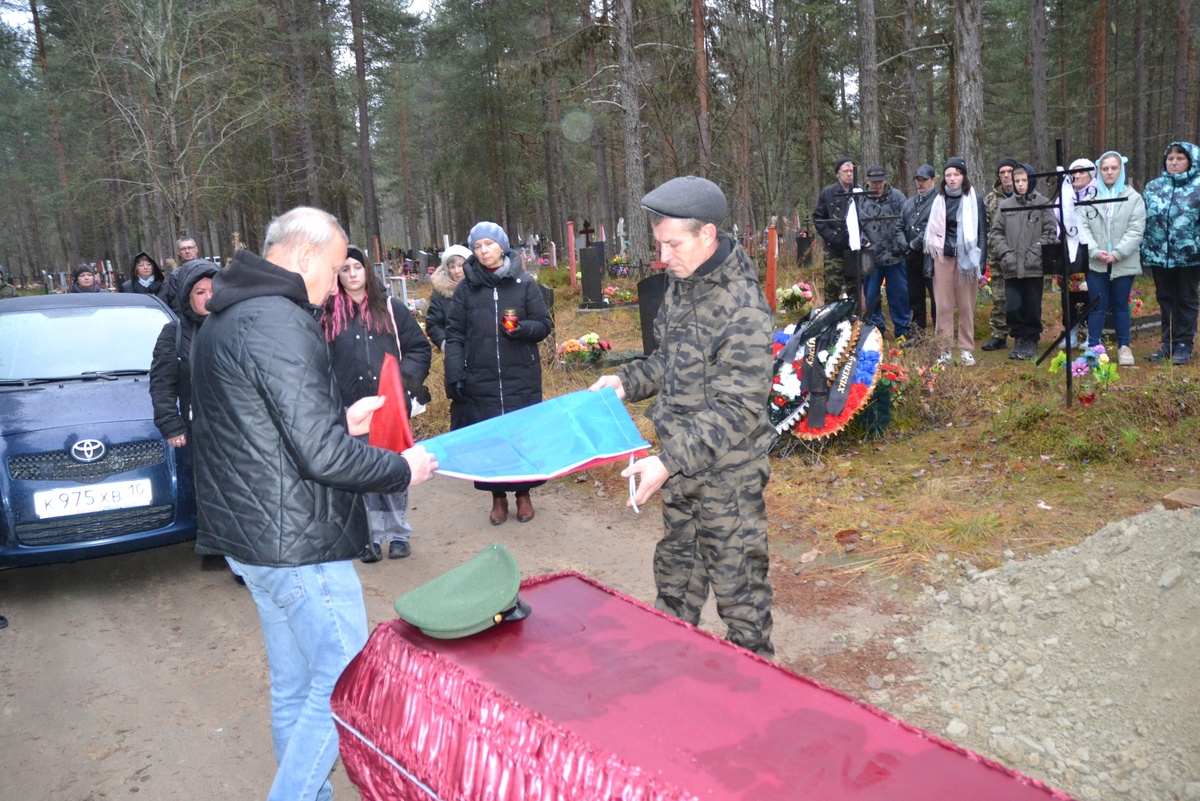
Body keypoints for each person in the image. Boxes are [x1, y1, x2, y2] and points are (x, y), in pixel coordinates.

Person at [190, 206, 438, 801]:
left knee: (296, 686)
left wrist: (339, 421)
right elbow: (320, 458)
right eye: (332, 269)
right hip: (297, 539)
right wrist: (399, 467)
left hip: (253, 539)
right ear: (304, 257)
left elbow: (261, 425)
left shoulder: (229, 315)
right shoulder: (278, 320)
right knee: (349, 676)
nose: (334, 285)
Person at [589, 176, 776, 658]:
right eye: (660, 245)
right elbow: (668, 362)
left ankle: (758, 701)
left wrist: (666, 460)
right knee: (674, 588)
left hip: (727, 482)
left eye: (673, 245)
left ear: (706, 235)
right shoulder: (681, 286)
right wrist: (625, 382)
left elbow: (738, 408)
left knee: (743, 605)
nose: (663, 257)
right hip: (679, 472)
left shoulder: (745, 308)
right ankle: (670, 683)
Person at [322, 245, 431, 562]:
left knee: (394, 470)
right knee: (362, 474)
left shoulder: (390, 308)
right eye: (345, 269)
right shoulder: (329, 315)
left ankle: (398, 534)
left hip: (389, 408)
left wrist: (402, 379)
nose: (352, 274)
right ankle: (369, 536)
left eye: (357, 267)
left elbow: (417, 349)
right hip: (352, 410)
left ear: (367, 270)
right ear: (338, 275)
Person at [444, 222, 552, 525]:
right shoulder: (467, 289)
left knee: (522, 436)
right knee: (491, 440)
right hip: (481, 376)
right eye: (478, 247)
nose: (484, 250)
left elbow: (544, 324)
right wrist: (455, 375)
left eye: (489, 244)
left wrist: (522, 330)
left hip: (521, 376)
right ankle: (498, 498)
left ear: (502, 247)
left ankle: (523, 495)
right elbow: (454, 335)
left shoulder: (523, 284)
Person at [1078, 151, 1145, 366]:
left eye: (1113, 168)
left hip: (1123, 262)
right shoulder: (1090, 199)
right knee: (1096, 305)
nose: (1109, 172)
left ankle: (1124, 346)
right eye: (1105, 168)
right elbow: (1083, 228)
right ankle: (1094, 347)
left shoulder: (1133, 198)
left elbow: (1136, 230)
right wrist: (1095, 251)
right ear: (1099, 171)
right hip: (1096, 261)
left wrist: (1117, 253)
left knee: (1119, 305)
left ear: (1121, 170)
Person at [988, 164, 1057, 360]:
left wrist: (1035, 251)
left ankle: (1031, 339)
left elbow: (1050, 232)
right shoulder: (1005, 205)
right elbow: (996, 233)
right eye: (1017, 181)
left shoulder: (1043, 203)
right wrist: (1006, 254)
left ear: (1032, 181)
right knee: (1014, 305)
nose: (1020, 184)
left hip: (1034, 266)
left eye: (1024, 180)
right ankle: (1018, 338)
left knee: (1032, 305)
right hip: (1011, 266)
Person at [1140, 141, 1200, 365]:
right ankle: (1167, 344)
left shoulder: (1198, 186)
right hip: (1158, 255)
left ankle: (1184, 344)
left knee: (1186, 298)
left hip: (1189, 256)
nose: (1174, 162)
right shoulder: (1154, 187)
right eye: (1170, 159)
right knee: (1165, 299)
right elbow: (1142, 217)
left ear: (1191, 161)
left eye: (1180, 158)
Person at [925, 156, 987, 367]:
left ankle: (966, 349)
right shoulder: (938, 200)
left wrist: (982, 266)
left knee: (966, 306)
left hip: (967, 258)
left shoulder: (974, 199)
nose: (952, 179)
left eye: (957, 174)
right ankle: (944, 349)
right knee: (943, 305)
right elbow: (931, 235)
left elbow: (981, 233)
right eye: (949, 175)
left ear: (963, 176)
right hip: (942, 257)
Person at [149, 259, 219, 447]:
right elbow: (162, 385)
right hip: (195, 433)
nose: (208, 297)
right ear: (187, 296)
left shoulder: (235, 327)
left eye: (213, 291)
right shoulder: (173, 333)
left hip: (235, 433)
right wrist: (171, 426)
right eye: (200, 292)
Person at [860, 164, 911, 341]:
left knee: (899, 294)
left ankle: (903, 330)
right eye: (874, 183)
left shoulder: (897, 197)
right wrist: (863, 241)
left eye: (881, 182)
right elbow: (852, 226)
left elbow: (906, 221)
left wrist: (902, 243)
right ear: (867, 182)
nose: (878, 186)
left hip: (895, 255)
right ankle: (876, 330)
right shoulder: (860, 200)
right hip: (869, 256)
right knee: (871, 295)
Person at [425, 244, 471, 429]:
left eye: (461, 265)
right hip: (455, 356)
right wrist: (446, 344)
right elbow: (434, 323)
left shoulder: (477, 286)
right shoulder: (441, 294)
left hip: (480, 351)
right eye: (452, 267)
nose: (457, 271)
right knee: (460, 402)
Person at [981, 158, 1020, 351]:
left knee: (1022, 296)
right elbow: (986, 228)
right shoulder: (990, 199)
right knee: (999, 298)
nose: (1006, 175)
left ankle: (1022, 336)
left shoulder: (1025, 195)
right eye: (1002, 172)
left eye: (1009, 171)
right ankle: (999, 335)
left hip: (1022, 257)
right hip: (997, 258)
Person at [814, 157, 857, 301]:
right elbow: (818, 218)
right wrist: (831, 236)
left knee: (855, 289)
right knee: (832, 290)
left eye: (851, 171)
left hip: (854, 249)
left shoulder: (858, 191)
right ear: (838, 173)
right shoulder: (828, 192)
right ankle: (832, 321)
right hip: (834, 251)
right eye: (845, 171)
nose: (849, 174)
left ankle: (854, 321)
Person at [901, 164, 938, 334]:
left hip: (932, 256)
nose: (920, 183)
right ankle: (917, 333)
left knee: (937, 298)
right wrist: (903, 244)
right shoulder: (909, 203)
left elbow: (933, 227)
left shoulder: (939, 201)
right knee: (915, 297)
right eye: (918, 180)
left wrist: (914, 244)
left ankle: (940, 335)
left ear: (933, 180)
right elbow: (898, 226)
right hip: (911, 257)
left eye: (924, 180)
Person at [164, 237, 200, 307]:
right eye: (183, 249)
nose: (187, 251)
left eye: (190, 248)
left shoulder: (208, 268)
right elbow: (175, 301)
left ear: (196, 249)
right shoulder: (176, 275)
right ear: (178, 252)